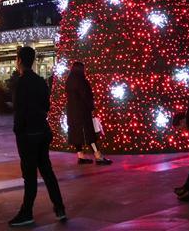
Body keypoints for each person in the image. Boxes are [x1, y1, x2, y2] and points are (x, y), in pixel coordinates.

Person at [9, 46, 66, 226]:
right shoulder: (40, 81)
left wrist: (18, 130)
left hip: (27, 134)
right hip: (42, 130)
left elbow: (19, 110)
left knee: (30, 175)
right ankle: (59, 208)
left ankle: (27, 212)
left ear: (19, 60)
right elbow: (47, 106)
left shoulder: (20, 82)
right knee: (47, 171)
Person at [65, 61, 112, 165]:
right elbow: (86, 96)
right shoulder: (81, 81)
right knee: (89, 134)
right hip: (82, 113)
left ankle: (81, 156)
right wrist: (91, 107)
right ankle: (98, 157)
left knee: (76, 135)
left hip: (72, 113)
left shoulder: (69, 81)